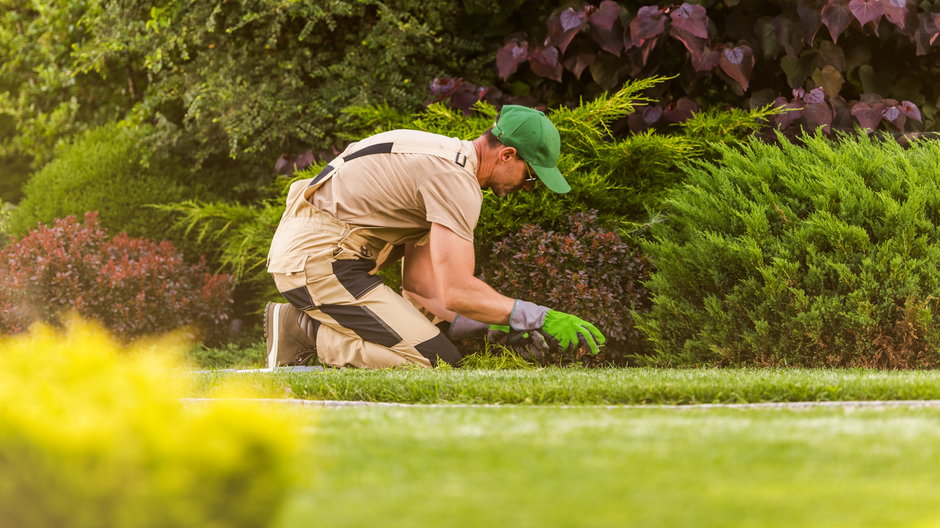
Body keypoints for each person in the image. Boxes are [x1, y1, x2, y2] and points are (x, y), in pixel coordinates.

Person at [264, 105, 605, 369]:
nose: (525, 188)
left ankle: (309, 328)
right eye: (529, 177)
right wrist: (537, 317)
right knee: (432, 362)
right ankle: (305, 331)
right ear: (507, 155)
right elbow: (457, 292)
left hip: (324, 257)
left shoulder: (443, 160)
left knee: (439, 346)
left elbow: (420, 285)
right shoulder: (455, 181)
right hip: (322, 264)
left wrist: (490, 326)